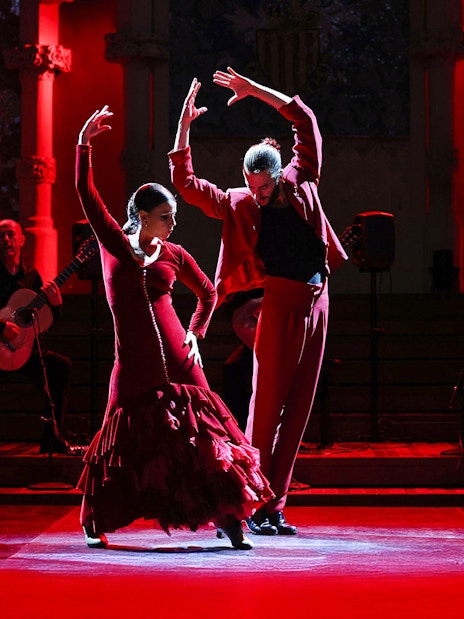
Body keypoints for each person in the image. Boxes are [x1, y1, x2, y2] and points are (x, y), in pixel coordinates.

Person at [74, 105, 273, 551]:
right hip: (134, 364)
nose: (172, 224)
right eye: (166, 216)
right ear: (143, 216)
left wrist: (196, 333)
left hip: (181, 358)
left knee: (205, 436)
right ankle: (95, 519)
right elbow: (86, 195)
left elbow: (208, 293)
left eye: (174, 217)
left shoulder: (174, 253)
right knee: (118, 440)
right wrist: (83, 145)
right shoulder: (113, 245)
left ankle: (228, 517)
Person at [169, 68, 348, 536]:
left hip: (319, 298)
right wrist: (184, 129)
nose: (258, 196)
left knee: (300, 408)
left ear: (278, 175)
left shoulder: (302, 177)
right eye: (252, 188)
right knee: (265, 410)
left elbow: (305, 120)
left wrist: (255, 92)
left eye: (264, 188)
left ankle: (275, 507)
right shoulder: (240, 203)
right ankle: (247, 504)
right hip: (281, 303)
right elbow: (187, 186)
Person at [0, 219, 71, 454]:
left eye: (11, 235)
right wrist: (2, 330)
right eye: (1, 236)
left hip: (24, 353)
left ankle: (52, 437)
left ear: (21, 240)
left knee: (60, 366)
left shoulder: (32, 277)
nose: (6, 240)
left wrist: (57, 305)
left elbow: (43, 321)